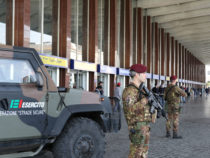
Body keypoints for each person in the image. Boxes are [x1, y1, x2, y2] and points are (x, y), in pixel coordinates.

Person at [122, 64, 156, 158]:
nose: (146, 75)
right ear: (137, 74)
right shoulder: (129, 91)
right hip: (137, 128)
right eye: (144, 73)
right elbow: (130, 110)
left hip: (144, 127)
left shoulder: (141, 90)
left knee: (143, 154)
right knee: (135, 154)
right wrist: (145, 100)